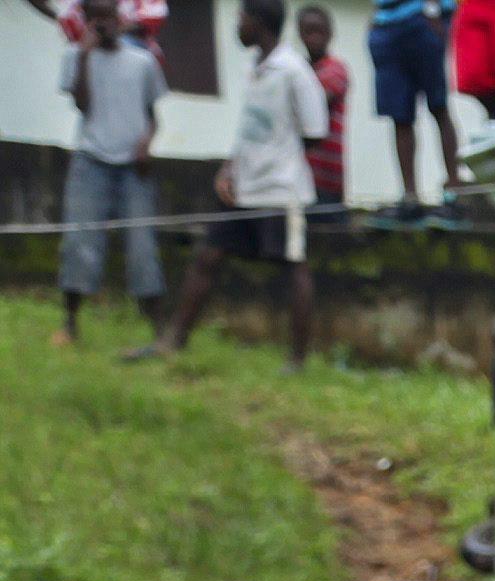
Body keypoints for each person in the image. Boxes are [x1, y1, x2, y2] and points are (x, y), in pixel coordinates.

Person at [137, 0, 327, 371]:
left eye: (241, 19)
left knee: (294, 267)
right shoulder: (253, 68)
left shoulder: (293, 71)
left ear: (258, 23)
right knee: (208, 257)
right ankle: (174, 341)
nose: (237, 26)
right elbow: (248, 131)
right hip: (242, 187)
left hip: (279, 188)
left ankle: (298, 359)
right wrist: (230, 169)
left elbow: (315, 132)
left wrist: (276, 159)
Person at [53, 5, 165, 346]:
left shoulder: (143, 61)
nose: (106, 25)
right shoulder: (75, 56)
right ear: (88, 21)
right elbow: (83, 106)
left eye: (111, 16)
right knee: (79, 242)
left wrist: (146, 142)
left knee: (143, 245)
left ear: (121, 18)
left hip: (134, 167)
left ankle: (160, 333)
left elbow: (152, 116)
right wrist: (85, 57)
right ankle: (70, 324)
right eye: (97, 18)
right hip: (91, 160)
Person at [365, 0, 465, 210]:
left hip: (422, 18)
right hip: (385, 24)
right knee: (399, 117)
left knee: (438, 106)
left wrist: (432, 10)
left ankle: (455, 190)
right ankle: (410, 197)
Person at [295, 7, 349, 222]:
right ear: (300, 34)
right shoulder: (298, 71)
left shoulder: (336, 70)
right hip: (301, 178)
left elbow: (313, 105)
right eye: (309, 31)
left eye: (319, 31)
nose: (314, 37)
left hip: (328, 180)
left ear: (330, 33)